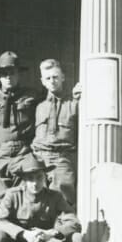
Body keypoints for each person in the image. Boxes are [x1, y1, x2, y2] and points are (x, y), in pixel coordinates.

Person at [0, 51, 37, 217]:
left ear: (19, 75)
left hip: (24, 153)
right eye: (4, 73)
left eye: (12, 73)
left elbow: (52, 101)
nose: (8, 77)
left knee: (25, 204)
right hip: (1, 153)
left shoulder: (32, 96)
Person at [31, 59, 81, 206]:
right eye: (48, 78)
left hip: (62, 159)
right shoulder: (38, 106)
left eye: (55, 77)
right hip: (39, 159)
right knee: (38, 202)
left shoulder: (74, 104)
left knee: (63, 200)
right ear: (42, 81)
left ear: (63, 77)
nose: (52, 81)